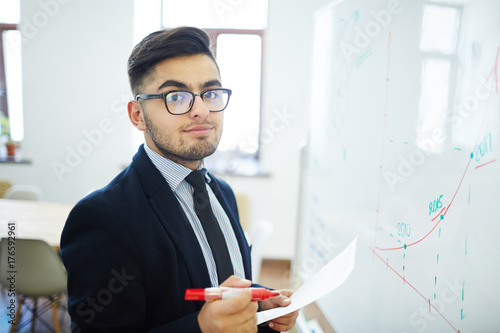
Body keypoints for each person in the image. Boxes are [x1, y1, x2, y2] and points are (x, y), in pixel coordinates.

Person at [60, 26, 299, 332]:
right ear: (138, 115)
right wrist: (200, 328)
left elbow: (220, 281)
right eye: (176, 96)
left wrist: (260, 302)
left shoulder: (221, 192)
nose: (200, 110)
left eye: (210, 93)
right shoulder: (103, 217)